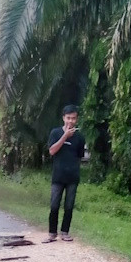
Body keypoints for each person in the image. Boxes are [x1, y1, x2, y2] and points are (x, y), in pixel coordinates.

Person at [45, 104, 86, 243]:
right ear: (63, 118)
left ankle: (65, 232)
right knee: (54, 205)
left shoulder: (80, 137)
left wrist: (74, 170)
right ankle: (52, 233)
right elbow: (52, 151)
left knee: (69, 206)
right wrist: (65, 136)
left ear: (77, 119)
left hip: (73, 177)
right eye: (68, 118)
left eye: (73, 118)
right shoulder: (55, 133)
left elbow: (80, 157)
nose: (71, 121)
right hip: (58, 176)